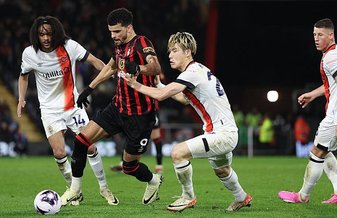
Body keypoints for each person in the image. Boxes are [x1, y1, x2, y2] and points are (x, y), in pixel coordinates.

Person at [123, 31, 252, 212]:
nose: (170, 55)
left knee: (178, 153)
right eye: (169, 51)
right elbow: (185, 99)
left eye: (174, 50)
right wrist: (160, 85)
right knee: (222, 170)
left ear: (188, 52)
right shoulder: (199, 70)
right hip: (223, 132)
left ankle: (187, 196)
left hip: (223, 134)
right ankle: (242, 197)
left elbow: (161, 96)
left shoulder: (192, 72)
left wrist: (135, 85)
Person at [60, 8, 163, 206]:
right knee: (81, 141)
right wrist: (89, 89)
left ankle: (153, 180)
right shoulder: (119, 46)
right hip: (117, 107)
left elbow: (156, 67)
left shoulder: (142, 43)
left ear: (129, 28)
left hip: (140, 115)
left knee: (129, 167)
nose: (113, 36)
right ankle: (75, 190)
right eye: (110, 32)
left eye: (117, 31)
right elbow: (110, 67)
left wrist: (139, 68)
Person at [17, 16, 118, 205]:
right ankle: (74, 190)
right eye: (41, 34)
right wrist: (21, 98)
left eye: (49, 33)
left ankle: (104, 188)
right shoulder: (30, 53)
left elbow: (94, 61)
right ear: (36, 35)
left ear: (56, 33)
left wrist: (109, 74)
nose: (45, 38)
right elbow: (23, 76)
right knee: (59, 152)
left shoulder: (69, 46)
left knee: (91, 146)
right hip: (49, 110)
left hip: (73, 107)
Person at [278, 18, 337, 204]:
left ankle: (303, 196)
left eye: (320, 35)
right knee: (324, 149)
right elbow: (334, 85)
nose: (316, 38)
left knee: (316, 153)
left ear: (331, 35)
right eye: (314, 35)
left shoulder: (330, 58)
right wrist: (313, 94)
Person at [110, 109, 165, 174]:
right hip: (136, 112)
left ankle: (159, 165)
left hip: (150, 111)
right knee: (131, 136)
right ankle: (124, 164)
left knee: (156, 138)